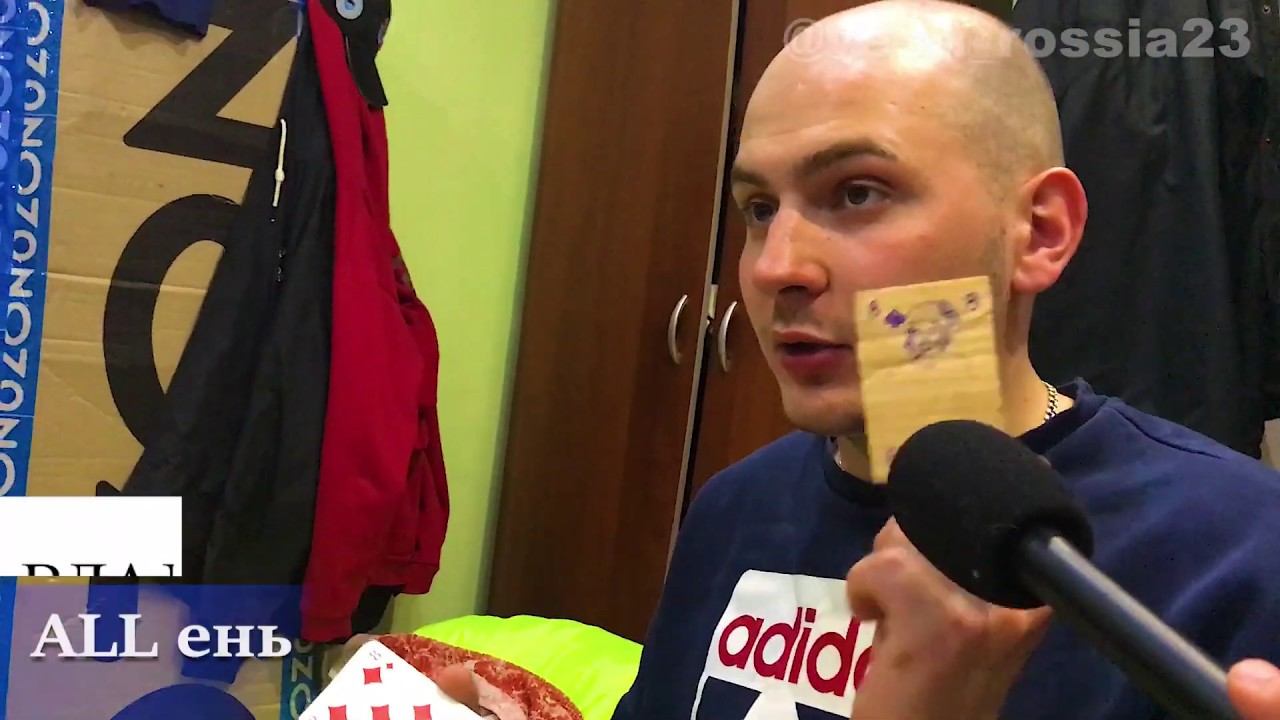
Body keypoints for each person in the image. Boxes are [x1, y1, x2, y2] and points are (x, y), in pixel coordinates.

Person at [442, 1, 1280, 718]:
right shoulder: (736, 508)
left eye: (856, 192)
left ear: (1039, 233)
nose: (776, 268)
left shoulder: (1236, 552)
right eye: (759, 208)